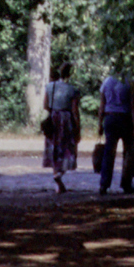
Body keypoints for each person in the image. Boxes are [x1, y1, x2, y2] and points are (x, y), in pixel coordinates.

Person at [97, 67, 134, 193]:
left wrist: (100, 124)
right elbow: (133, 106)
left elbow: (102, 105)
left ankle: (104, 184)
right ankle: (126, 184)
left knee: (108, 152)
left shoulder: (106, 82)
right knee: (128, 151)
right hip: (125, 119)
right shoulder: (130, 83)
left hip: (110, 118)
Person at [42, 62, 81, 193]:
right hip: (66, 120)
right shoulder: (72, 90)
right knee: (67, 148)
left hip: (53, 118)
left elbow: (45, 105)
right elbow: (75, 111)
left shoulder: (50, 87)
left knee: (54, 148)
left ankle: (56, 178)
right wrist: (78, 127)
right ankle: (60, 174)